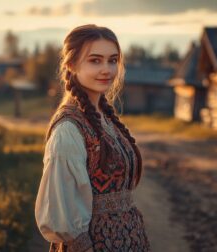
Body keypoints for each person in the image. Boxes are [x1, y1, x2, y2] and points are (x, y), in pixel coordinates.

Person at [35, 24, 151, 252]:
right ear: (71, 65)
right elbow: (60, 213)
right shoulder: (68, 129)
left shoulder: (105, 118)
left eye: (113, 60)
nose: (107, 69)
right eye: (95, 60)